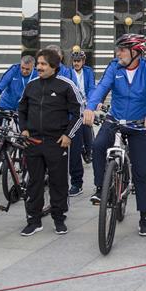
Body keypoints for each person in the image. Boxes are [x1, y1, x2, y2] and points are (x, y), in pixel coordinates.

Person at [83, 34, 146, 237]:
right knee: (98, 145)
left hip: (137, 124)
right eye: (118, 49)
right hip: (115, 118)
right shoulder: (114, 67)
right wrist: (90, 107)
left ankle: (144, 217)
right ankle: (101, 187)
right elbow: (101, 88)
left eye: (123, 50)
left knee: (141, 173)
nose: (118, 53)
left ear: (136, 52)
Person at [18, 47, 82, 237]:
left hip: (57, 143)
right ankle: (34, 220)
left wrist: (68, 135)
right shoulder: (31, 86)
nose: (39, 67)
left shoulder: (66, 85)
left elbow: (78, 112)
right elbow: (21, 109)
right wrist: (24, 129)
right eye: (38, 64)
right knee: (34, 183)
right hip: (33, 142)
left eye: (43, 64)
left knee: (59, 182)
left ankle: (59, 218)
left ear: (54, 66)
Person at [66, 50, 95, 196]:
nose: (76, 63)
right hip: (73, 112)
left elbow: (91, 88)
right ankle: (77, 183)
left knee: (93, 145)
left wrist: (91, 104)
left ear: (83, 62)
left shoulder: (89, 72)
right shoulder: (68, 73)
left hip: (86, 109)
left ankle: (89, 151)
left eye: (79, 61)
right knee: (74, 149)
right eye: (74, 61)